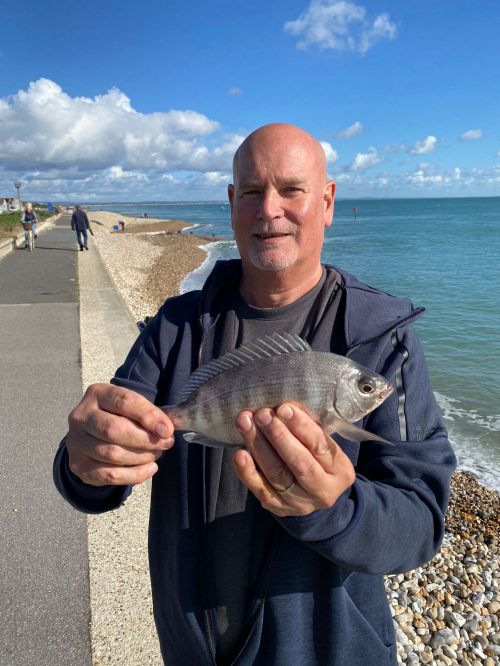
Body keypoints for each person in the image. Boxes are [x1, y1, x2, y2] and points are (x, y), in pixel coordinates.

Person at [53, 123, 456, 665]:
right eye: (251, 191)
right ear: (231, 202)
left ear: (328, 201)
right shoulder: (174, 328)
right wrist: (84, 460)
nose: (269, 209)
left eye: (292, 189)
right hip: (190, 648)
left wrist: (336, 509)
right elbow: (108, 447)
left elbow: (422, 520)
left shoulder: (382, 339)